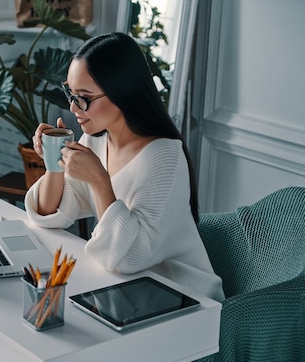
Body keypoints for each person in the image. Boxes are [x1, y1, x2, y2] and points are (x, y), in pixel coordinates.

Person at [24, 32, 225, 302]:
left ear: (123, 92)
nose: (73, 108)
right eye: (70, 94)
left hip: (181, 297)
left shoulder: (163, 156)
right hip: (127, 291)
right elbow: (50, 214)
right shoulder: (97, 141)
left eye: (84, 98)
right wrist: (54, 164)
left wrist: (99, 181)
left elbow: (130, 257)